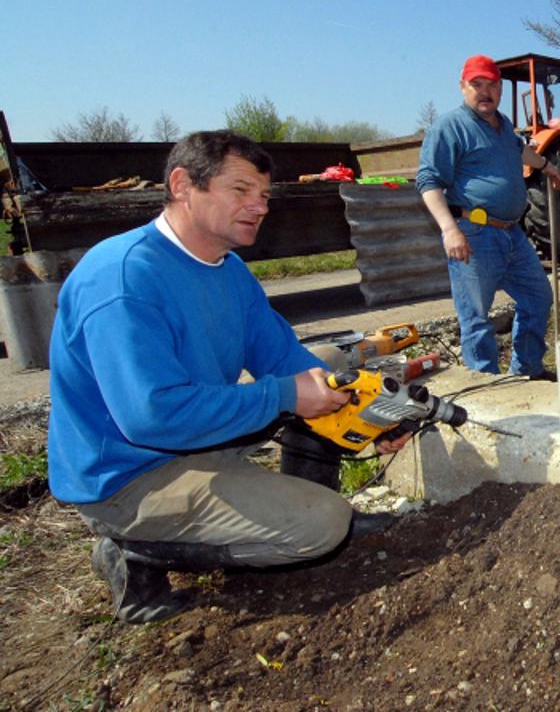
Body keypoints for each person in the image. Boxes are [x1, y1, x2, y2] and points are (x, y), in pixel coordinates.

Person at [46, 131, 409, 625]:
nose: (258, 207)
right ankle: (131, 552)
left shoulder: (227, 268)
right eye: (240, 191)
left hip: (191, 438)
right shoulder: (124, 278)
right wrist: (284, 394)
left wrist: (365, 412)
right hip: (127, 476)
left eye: (263, 195)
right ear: (181, 184)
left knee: (327, 367)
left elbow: (280, 354)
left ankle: (283, 502)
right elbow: (151, 418)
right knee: (324, 527)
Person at [417, 54, 560, 376]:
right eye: (477, 85)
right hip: (474, 234)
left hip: (513, 233)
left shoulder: (504, 124)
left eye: (492, 85)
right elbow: (428, 182)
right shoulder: (450, 127)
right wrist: (449, 230)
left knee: (539, 297)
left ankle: (527, 372)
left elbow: (519, 150)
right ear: (462, 87)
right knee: (476, 318)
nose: (486, 92)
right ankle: (485, 388)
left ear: (499, 88)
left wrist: (548, 166)